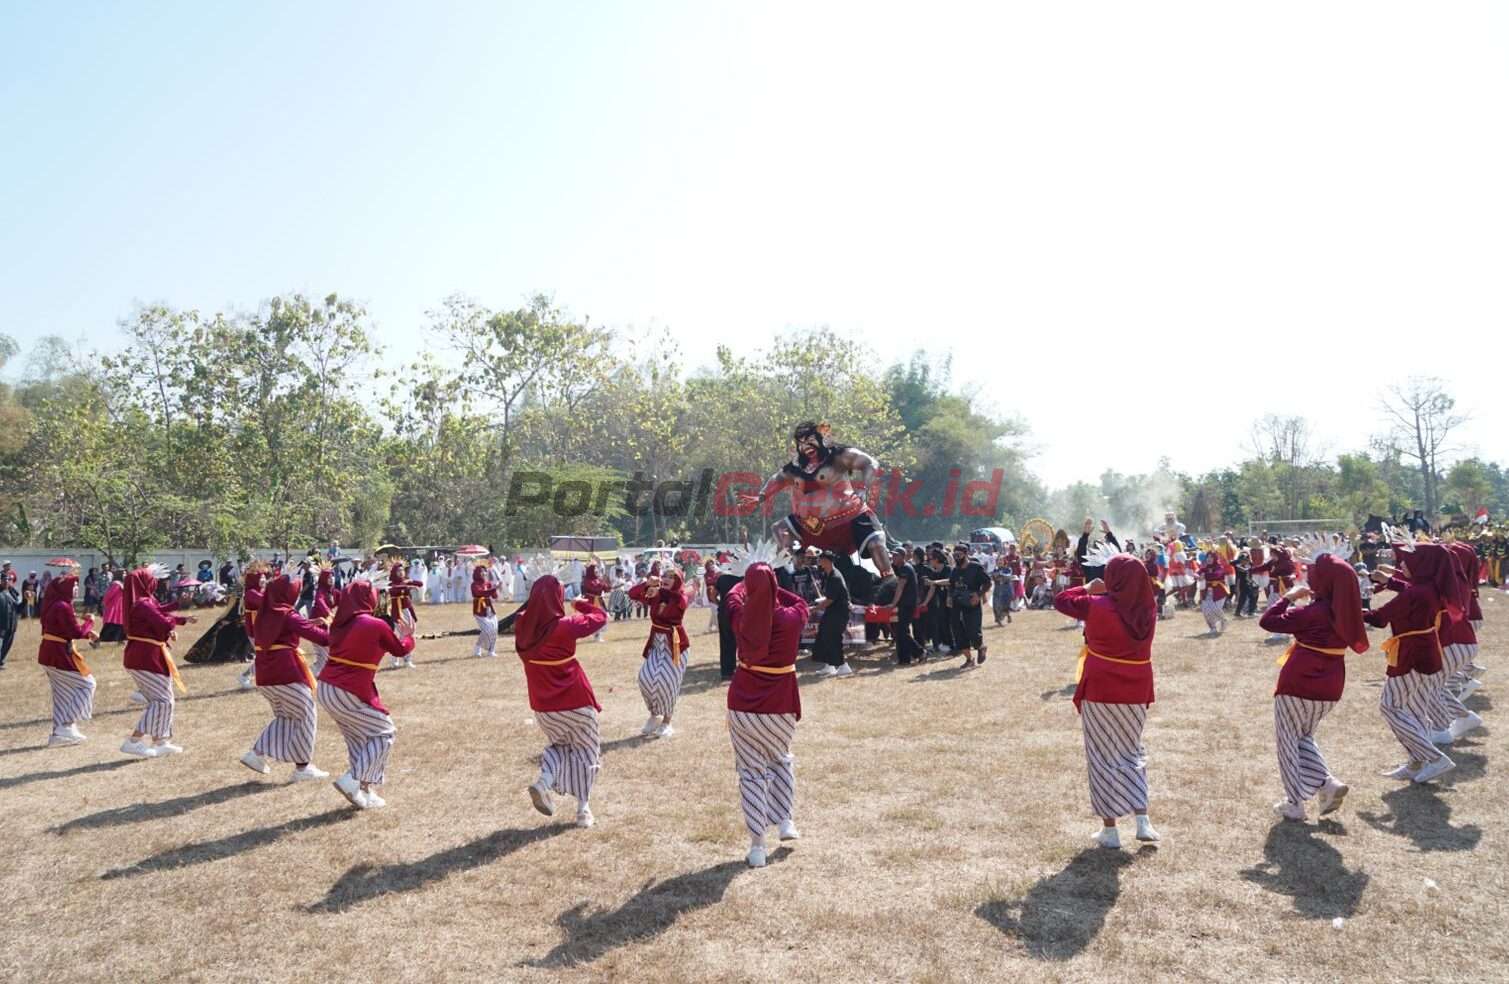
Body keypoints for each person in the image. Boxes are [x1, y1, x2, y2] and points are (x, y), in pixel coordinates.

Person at [1053, 550, 1161, 849]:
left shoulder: (1097, 605)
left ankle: (1110, 829)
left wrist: (1088, 587)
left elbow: (1061, 600)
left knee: (1101, 756)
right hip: (1136, 688)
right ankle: (1142, 819)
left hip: (1101, 687)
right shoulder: (1148, 610)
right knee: (1132, 750)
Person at [1258, 552, 1368, 820]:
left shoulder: (1312, 611)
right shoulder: (1346, 611)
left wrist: (1288, 597)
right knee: (1303, 737)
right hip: (1331, 685)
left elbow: (1267, 621)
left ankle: (1294, 802)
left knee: (1287, 742)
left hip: (1299, 682)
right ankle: (1328, 784)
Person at [725, 560, 808, 868]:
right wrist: (772, 585)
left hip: (743, 704)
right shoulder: (790, 618)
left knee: (751, 773)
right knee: (781, 758)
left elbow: (732, 597)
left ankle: (757, 845)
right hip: (780, 703)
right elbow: (799, 601)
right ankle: (786, 820)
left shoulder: (741, 616)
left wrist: (746, 586)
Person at [741, 421, 894, 581]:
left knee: (876, 545)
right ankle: (790, 577)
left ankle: (890, 583)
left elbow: (870, 463)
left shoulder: (838, 456)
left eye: (809, 441)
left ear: (821, 438)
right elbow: (777, 479)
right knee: (780, 530)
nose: (806, 446)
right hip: (811, 524)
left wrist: (864, 486)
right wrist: (761, 496)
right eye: (801, 443)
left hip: (851, 517)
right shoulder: (795, 467)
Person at [516, 574, 608, 828]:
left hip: (543, 707)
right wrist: (581, 604)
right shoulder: (564, 626)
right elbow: (601, 618)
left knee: (560, 747)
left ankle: (544, 781)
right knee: (587, 750)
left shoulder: (521, 624)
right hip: (575, 701)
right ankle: (583, 809)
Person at [1364, 542, 1460, 783]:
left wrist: (1347, 605)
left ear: (1422, 564)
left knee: (1390, 706)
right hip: (1425, 648)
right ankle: (1416, 761)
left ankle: (1434, 758)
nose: (1402, 564)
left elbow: (1379, 618)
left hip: (1412, 652)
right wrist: (1389, 581)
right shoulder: (1430, 586)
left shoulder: (1416, 593)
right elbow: (1410, 590)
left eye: (1407, 560)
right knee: (1415, 707)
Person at [319, 578, 415, 809]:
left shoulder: (340, 623)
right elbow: (400, 649)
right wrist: (409, 635)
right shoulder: (374, 624)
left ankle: (363, 790)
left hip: (327, 688)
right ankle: (353, 781)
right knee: (384, 732)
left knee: (358, 738)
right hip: (348, 688)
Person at [241, 574, 331, 782]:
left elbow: (283, 628)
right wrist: (344, 633)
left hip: (265, 674)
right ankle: (303, 767)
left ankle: (256, 754)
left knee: (287, 717)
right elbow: (321, 638)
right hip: (285, 671)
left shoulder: (266, 612)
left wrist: (307, 622)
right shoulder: (287, 614)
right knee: (307, 714)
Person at [120, 565, 194, 758]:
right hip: (146, 657)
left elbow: (159, 611)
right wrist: (172, 625)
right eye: (152, 578)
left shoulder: (143, 602)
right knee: (162, 701)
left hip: (147, 655)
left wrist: (178, 606)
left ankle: (161, 740)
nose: (155, 581)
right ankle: (133, 741)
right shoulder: (143, 604)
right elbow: (162, 621)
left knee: (164, 698)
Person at [38, 569, 99, 746]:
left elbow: (64, 630)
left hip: (49, 652)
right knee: (88, 684)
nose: (76, 589)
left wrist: (87, 632)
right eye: (73, 585)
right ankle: (67, 724)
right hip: (58, 654)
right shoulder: (63, 606)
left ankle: (58, 735)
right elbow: (75, 632)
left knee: (62, 694)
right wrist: (90, 622)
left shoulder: (55, 604)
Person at [629, 566, 691, 738]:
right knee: (645, 678)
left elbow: (679, 602)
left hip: (676, 646)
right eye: (665, 575)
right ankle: (655, 715)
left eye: (672, 577)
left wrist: (659, 590)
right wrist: (646, 584)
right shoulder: (655, 593)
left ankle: (667, 722)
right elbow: (632, 594)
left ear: (678, 581)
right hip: (656, 644)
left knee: (668, 683)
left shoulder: (680, 595)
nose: (666, 578)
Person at [949, 543, 991, 667]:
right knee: (958, 631)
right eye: (955, 555)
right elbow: (951, 585)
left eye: (959, 555)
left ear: (966, 554)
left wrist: (979, 595)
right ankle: (969, 660)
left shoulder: (975, 567)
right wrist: (949, 597)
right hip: (957, 603)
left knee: (973, 631)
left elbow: (987, 583)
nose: (957, 557)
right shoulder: (955, 571)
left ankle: (981, 647)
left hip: (972, 603)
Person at [812, 550, 852, 677]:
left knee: (833, 638)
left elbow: (830, 600)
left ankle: (843, 666)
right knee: (824, 635)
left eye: (821, 560)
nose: (819, 563)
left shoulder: (835, 576)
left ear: (827, 561)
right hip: (832, 612)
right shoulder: (828, 575)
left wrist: (814, 609)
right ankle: (829, 665)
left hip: (839, 613)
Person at [386, 559, 423, 667]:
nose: (401, 573)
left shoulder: (405, 580)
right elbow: (394, 589)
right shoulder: (391, 583)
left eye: (402, 570)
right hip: (398, 612)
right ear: (394, 572)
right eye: (398, 571)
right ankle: (403, 659)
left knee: (408, 635)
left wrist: (410, 581)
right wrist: (407, 586)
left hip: (407, 610)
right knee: (404, 635)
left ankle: (399, 658)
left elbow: (420, 583)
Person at [237, 566, 267, 689]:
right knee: (264, 655)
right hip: (255, 629)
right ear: (254, 580)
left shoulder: (260, 590)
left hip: (262, 628)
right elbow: (266, 603)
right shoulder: (251, 593)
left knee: (265, 655)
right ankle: (245, 676)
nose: (264, 580)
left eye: (265, 578)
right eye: (261, 578)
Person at [890, 546, 921, 665]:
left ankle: (920, 652)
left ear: (902, 557)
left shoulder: (905, 569)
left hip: (907, 604)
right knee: (900, 632)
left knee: (901, 632)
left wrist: (893, 604)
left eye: (895, 555)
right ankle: (904, 659)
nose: (893, 557)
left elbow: (900, 587)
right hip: (904, 604)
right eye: (893, 555)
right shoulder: (902, 568)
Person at [307, 566, 338, 674]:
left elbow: (342, 599)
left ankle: (310, 674)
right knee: (324, 653)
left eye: (332, 576)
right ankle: (311, 674)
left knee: (323, 655)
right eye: (329, 577)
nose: (331, 579)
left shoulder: (332, 591)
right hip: (316, 624)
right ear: (323, 578)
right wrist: (329, 613)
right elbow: (320, 602)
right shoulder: (320, 591)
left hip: (325, 625)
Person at [1197, 550, 1233, 635]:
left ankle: (1224, 620)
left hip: (1219, 592)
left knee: (1215, 608)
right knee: (1205, 610)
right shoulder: (1204, 567)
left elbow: (1217, 575)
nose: (1209, 559)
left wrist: (1204, 576)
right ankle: (1212, 628)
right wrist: (1197, 576)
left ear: (1215, 558)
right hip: (1206, 592)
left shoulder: (1219, 567)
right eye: (1208, 557)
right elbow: (1198, 573)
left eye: (1211, 557)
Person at [471, 563, 499, 658]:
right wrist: (493, 590)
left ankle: (491, 650)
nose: (484, 573)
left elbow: (494, 596)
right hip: (479, 609)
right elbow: (479, 593)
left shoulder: (488, 583)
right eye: (482, 571)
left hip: (489, 608)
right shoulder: (474, 584)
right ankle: (478, 647)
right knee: (487, 629)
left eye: (485, 571)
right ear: (477, 573)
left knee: (494, 629)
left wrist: (495, 589)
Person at [580, 562, 610, 643]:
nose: (597, 572)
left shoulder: (598, 579)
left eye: (597, 571)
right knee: (596, 618)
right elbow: (594, 588)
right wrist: (602, 583)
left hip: (599, 601)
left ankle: (597, 634)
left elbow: (607, 589)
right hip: (591, 601)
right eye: (595, 571)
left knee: (606, 616)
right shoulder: (586, 580)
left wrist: (606, 582)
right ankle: (597, 636)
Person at [0, 578, 17, 669]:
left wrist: (26, 599)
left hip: (11, 624)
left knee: (7, 645)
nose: (6, 582)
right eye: (4, 580)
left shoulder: (11, 593)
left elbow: (18, 607)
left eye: (7, 580)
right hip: (2, 624)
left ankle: (1, 661)